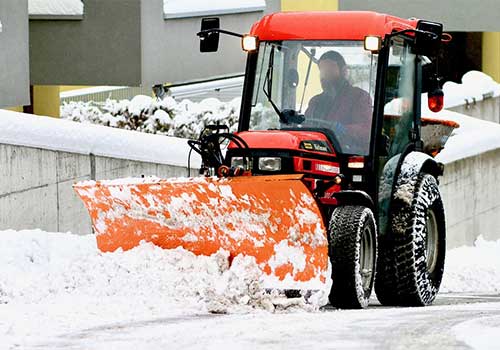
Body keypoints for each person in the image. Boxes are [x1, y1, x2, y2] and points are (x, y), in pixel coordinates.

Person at [304, 50, 373, 154]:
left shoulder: (359, 97)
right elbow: (306, 124)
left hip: (348, 154)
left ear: (344, 71)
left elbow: (367, 130)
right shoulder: (315, 101)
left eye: (330, 69)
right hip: (319, 152)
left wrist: (344, 129)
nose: (325, 75)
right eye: (322, 70)